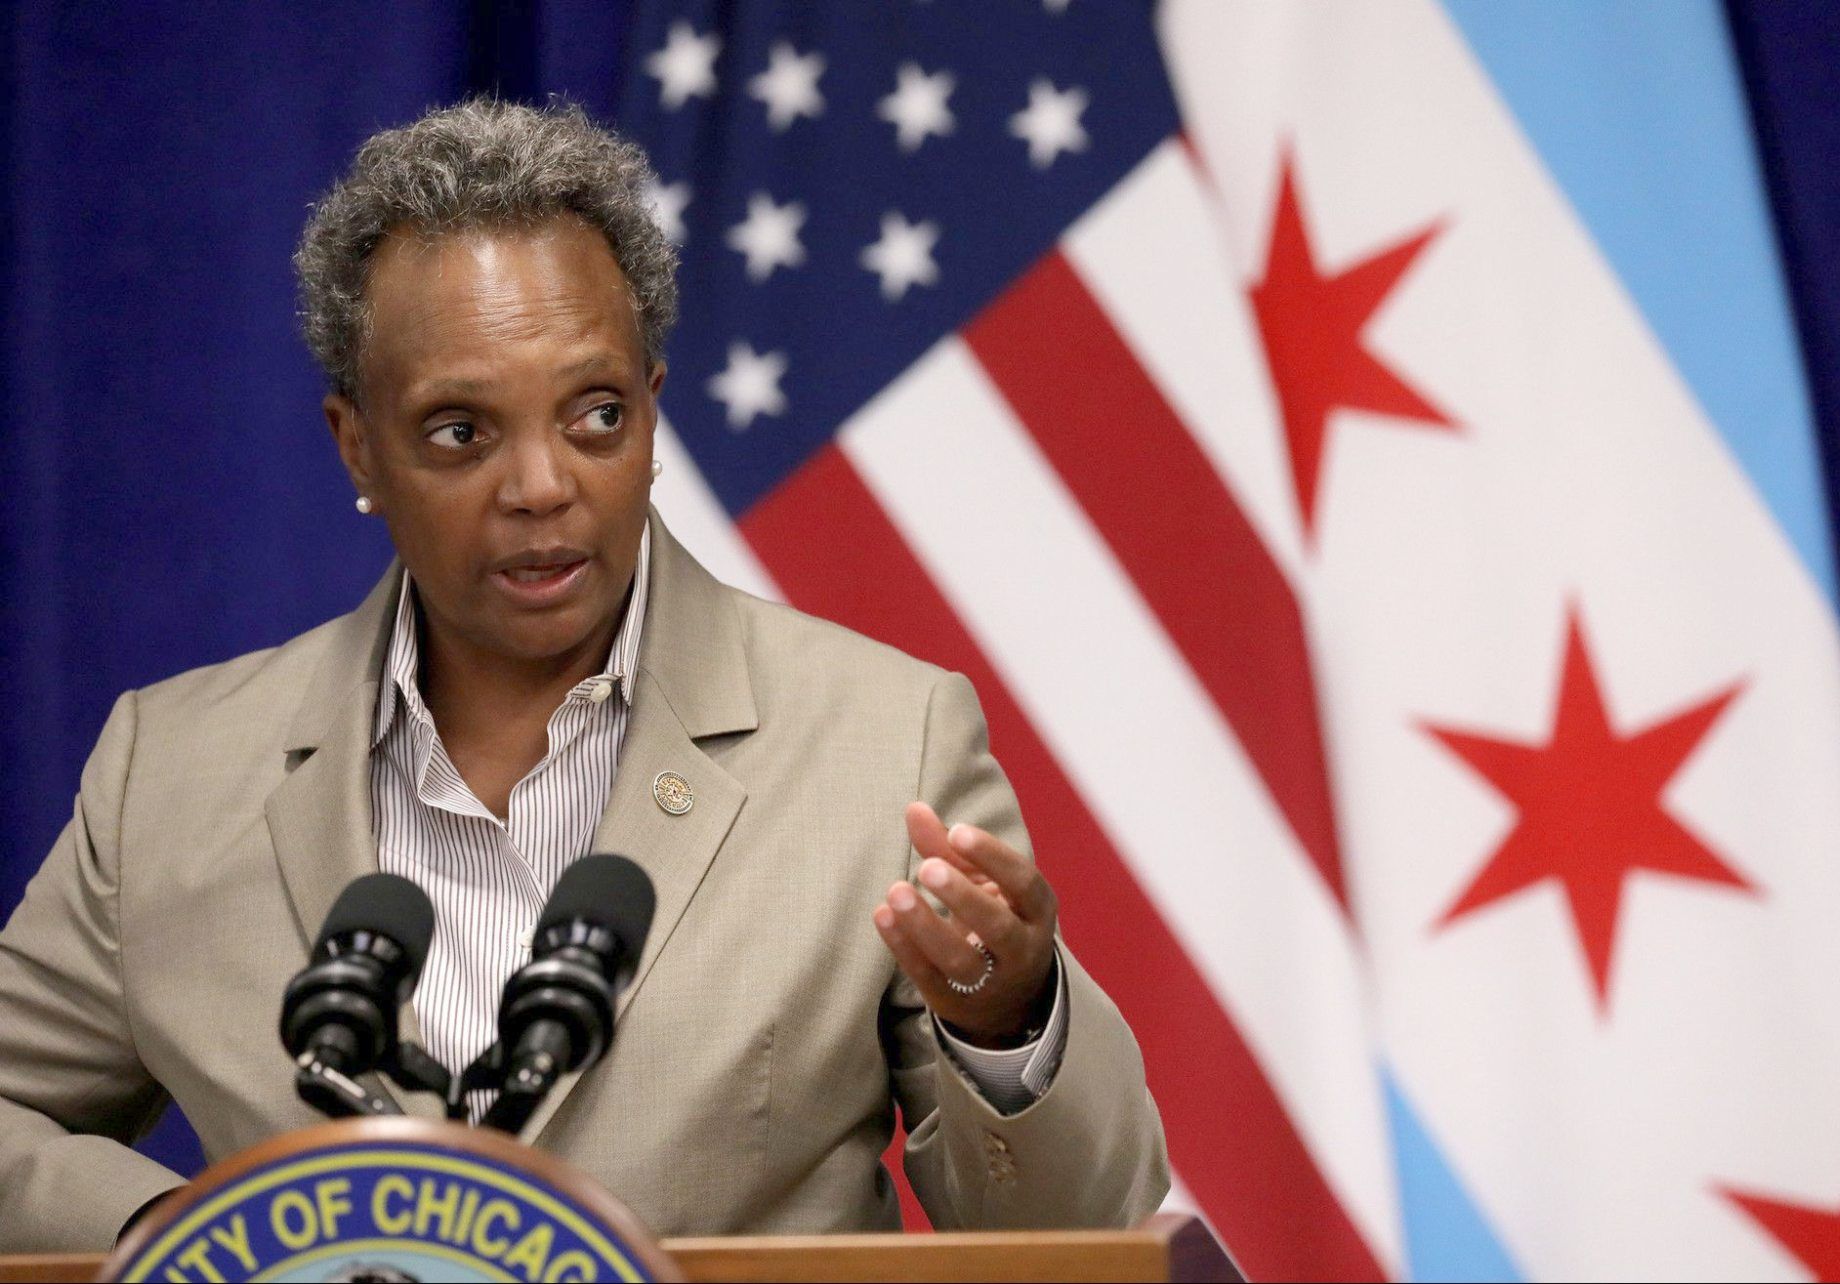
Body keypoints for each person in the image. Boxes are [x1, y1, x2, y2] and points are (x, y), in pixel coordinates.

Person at [0, 99, 1167, 1252]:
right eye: (461, 430)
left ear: (654, 411)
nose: (542, 486)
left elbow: (1081, 1228)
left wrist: (1007, 1025)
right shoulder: (174, 770)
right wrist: (190, 1238)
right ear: (356, 445)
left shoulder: (881, 738)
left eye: (595, 414)